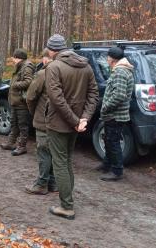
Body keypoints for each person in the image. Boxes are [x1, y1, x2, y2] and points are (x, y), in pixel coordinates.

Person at [44, 34, 98, 220]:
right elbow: (94, 95)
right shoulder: (86, 65)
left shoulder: (53, 67)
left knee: (60, 162)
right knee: (66, 161)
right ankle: (67, 200)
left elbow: (56, 99)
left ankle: (67, 206)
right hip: (77, 125)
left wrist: (77, 121)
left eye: (48, 49)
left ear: (52, 50)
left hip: (59, 124)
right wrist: (83, 119)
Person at [98, 46, 134, 181]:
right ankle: (107, 164)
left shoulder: (120, 72)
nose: (106, 59)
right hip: (114, 115)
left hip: (115, 115)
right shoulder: (120, 70)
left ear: (112, 59)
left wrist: (105, 107)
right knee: (108, 140)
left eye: (107, 57)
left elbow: (119, 95)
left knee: (113, 142)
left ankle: (117, 171)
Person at [25, 49, 57, 194]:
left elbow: (30, 97)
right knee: (55, 152)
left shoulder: (43, 74)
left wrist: (34, 112)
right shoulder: (65, 72)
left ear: (45, 59)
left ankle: (42, 184)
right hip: (61, 120)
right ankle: (54, 183)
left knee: (43, 152)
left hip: (44, 119)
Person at [0, 48, 34, 156]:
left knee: (23, 125)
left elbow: (29, 82)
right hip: (15, 101)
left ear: (18, 58)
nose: (13, 59)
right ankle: (11, 143)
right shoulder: (20, 66)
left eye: (14, 57)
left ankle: (22, 146)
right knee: (14, 123)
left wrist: (14, 85)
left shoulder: (27, 67)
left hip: (21, 102)